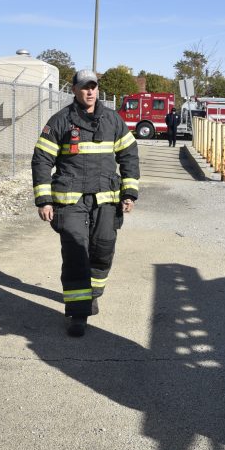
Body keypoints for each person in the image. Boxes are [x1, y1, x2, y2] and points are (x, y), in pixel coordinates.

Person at [32, 69, 140, 337]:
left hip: (106, 199)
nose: (90, 91)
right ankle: (78, 312)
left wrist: (129, 192)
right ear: (75, 91)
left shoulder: (113, 120)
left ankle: (93, 293)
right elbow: (42, 161)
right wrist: (44, 200)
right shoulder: (60, 122)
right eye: (84, 87)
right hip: (71, 202)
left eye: (93, 86)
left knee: (103, 248)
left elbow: (129, 155)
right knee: (76, 254)